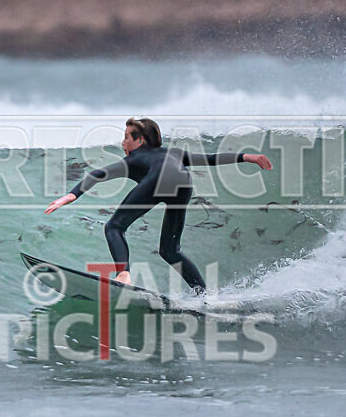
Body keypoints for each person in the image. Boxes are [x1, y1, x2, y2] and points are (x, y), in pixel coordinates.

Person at [44, 118, 272, 294]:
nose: (122, 143)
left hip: (158, 180)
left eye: (126, 138)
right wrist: (247, 157)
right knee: (170, 251)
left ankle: (123, 274)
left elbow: (97, 174)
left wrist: (71, 196)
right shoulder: (173, 152)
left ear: (140, 141)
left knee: (114, 227)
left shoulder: (132, 159)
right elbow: (210, 159)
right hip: (184, 184)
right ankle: (203, 295)